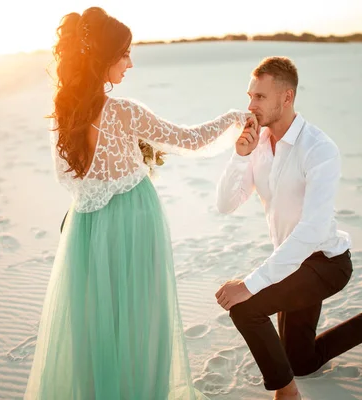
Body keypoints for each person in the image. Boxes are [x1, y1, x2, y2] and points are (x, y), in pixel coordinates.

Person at [24, 7, 253, 400]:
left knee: (95, 319)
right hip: (132, 220)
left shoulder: (65, 114)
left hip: (87, 228)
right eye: (125, 54)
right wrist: (234, 118)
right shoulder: (123, 112)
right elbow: (189, 139)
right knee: (141, 317)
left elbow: (75, 179)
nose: (130, 63)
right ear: (104, 58)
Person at [214, 56, 362, 400]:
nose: (250, 105)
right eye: (250, 95)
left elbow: (313, 230)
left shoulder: (318, 148)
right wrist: (240, 156)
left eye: (260, 97)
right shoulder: (257, 145)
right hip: (289, 261)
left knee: (245, 308)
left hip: (324, 263)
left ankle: (287, 393)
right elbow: (226, 205)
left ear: (287, 98)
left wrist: (251, 284)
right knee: (301, 361)